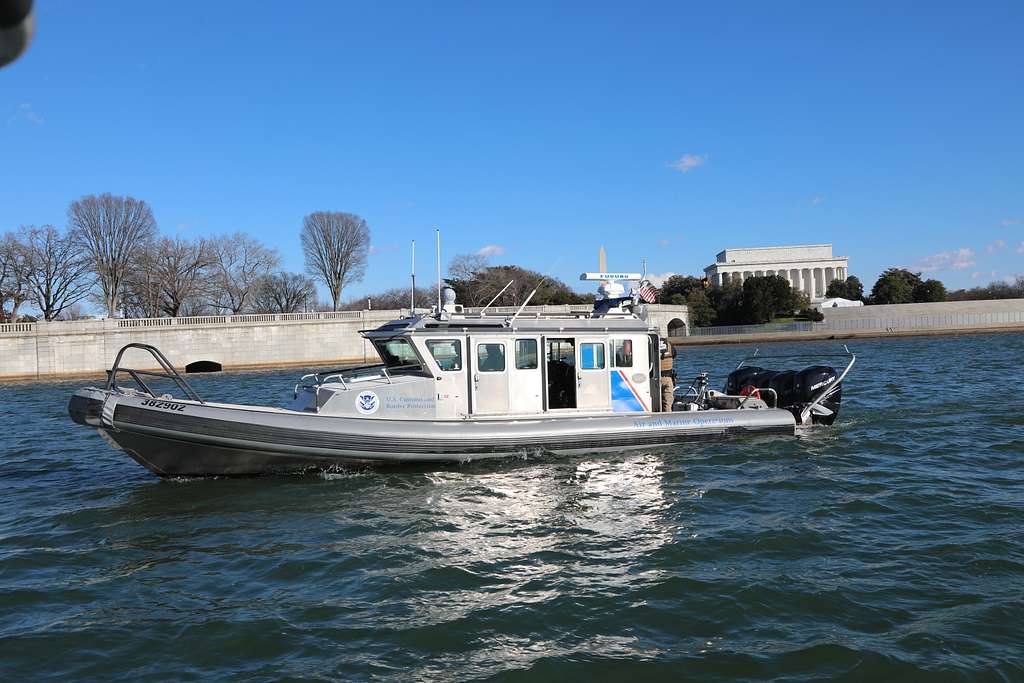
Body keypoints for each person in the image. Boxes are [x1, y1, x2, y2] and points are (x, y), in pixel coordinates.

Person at [660, 339, 677, 411]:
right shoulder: (669, 345)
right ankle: (667, 419)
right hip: (668, 378)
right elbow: (674, 354)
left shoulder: (649, 342)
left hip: (653, 378)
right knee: (667, 403)